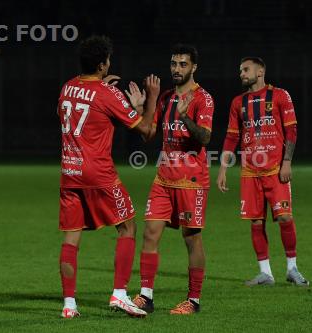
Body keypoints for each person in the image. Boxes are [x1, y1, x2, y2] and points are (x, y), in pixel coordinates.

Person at [57, 35, 160, 318]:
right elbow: (147, 131)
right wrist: (150, 98)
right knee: (127, 227)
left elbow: (88, 111)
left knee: (70, 240)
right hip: (99, 174)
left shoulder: (67, 88)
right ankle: (120, 294)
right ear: (103, 65)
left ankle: (69, 305)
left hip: (70, 173)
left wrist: (109, 94)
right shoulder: (107, 93)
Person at [132, 44, 215, 315]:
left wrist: (184, 117)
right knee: (149, 234)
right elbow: (148, 133)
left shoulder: (203, 98)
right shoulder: (166, 97)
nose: (176, 69)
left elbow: (204, 138)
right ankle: (146, 296)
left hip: (191, 179)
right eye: (173, 64)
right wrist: (141, 109)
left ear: (193, 68)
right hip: (163, 178)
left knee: (191, 239)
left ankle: (193, 300)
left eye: (182, 64)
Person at [217, 57, 309, 287]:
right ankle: (265, 273)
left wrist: (286, 162)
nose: (241, 74)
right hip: (250, 172)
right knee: (256, 222)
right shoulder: (238, 102)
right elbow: (231, 137)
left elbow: (292, 131)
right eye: (240, 70)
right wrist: (223, 169)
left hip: (275, 169)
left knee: (285, 217)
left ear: (260, 72)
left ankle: (292, 268)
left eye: (245, 69)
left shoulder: (280, 96)